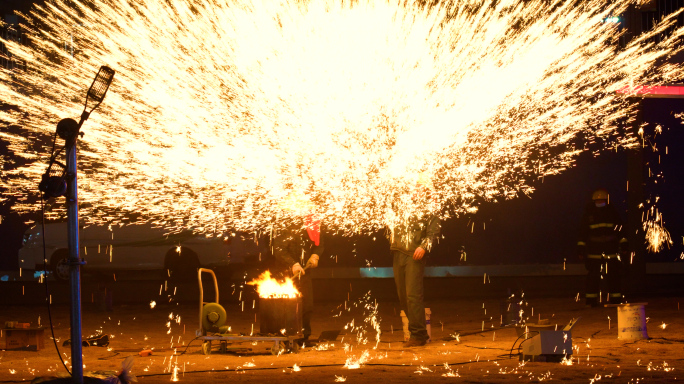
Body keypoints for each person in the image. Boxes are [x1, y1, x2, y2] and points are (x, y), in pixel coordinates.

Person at [389, 181, 441, 347]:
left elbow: (434, 233)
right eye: (412, 186)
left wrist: (424, 247)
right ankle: (415, 332)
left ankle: (418, 335)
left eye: (418, 187)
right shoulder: (401, 203)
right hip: (398, 252)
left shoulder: (430, 208)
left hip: (414, 256)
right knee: (403, 297)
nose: (414, 189)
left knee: (413, 295)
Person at [272, 213, 323, 345]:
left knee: (307, 305)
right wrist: (292, 264)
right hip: (285, 272)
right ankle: (286, 337)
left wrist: (315, 255)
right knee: (288, 306)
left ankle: (303, 338)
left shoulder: (312, 222)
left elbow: (319, 242)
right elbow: (278, 249)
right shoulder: (284, 223)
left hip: (304, 272)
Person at [577, 188, 629, 307]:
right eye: (598, 201)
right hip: (594, 251)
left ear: (606, 201)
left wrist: (624, 244)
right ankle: (591, 301)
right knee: (593, 277)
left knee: (613, 275)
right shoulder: (588, 215)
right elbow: (582, 234)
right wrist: (580, 249)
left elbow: (621, 230)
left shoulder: (612, 213)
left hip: (610, 250)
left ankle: (615, 299)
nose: (600, 203)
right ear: (594, 202)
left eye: (602, 201)